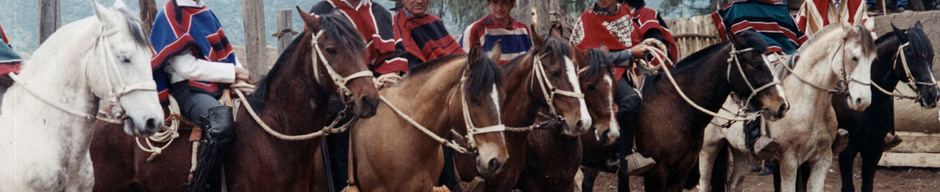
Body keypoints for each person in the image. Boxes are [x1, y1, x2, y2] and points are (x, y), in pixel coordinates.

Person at [570, 0, 677, 181]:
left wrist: (641, 50)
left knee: (643, 98)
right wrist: (628, 54)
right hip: (595, 75)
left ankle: (631, 152)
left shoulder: (624, 16)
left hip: (620, 72)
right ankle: (622, 156)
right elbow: (588, 57)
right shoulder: (586, 19)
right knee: (629, 100)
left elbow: (632, 45)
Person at [149, 0, 250, 191]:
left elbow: (225, 52)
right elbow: (186, 68)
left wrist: (240, 72)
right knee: (220, 123)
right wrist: (232, 73)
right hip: (187, 89)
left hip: (218, 82)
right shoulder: (170, 15)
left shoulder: (204, 11)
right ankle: (203, 185)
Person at [308, 0, 400, 191]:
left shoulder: (380, 13)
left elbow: (393, 55)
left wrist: (388, 76)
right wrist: (358, 83)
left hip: (380, 84)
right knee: (336, 114)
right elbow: (318, 58)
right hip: (339, 88)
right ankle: (341, 185)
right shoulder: (322, 11)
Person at [392, 0, 465, 70]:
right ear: (404, 1)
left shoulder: (435, 21)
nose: (419, 1)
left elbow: (454, 51)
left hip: (448, 69)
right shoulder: (398, 25)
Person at [459, 0, 532, 64]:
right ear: (488, 3)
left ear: (512, 3)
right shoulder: (474, 31)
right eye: (495, 2)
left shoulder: (524, 30)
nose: (499, 7)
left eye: (504, 2)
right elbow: (465, 69)